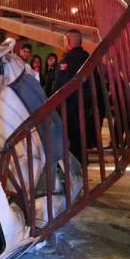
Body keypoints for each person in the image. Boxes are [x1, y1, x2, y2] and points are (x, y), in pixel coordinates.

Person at [53, 29, 103, 162]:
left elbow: (60, 87)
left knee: (69, 144)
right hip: (87, 110)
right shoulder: (89, 60)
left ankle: (73, 173)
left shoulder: (67, 61)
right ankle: (81, 170)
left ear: (68, 41)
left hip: (69, 110)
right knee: (81, 143)